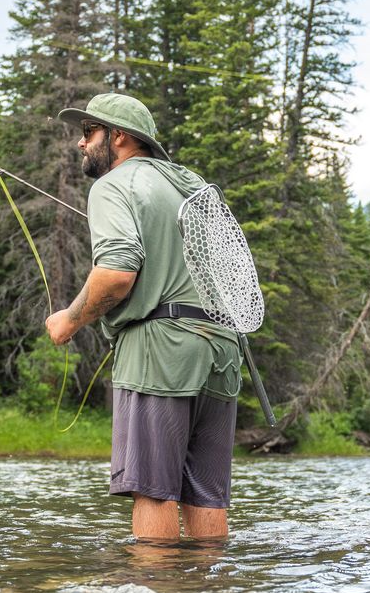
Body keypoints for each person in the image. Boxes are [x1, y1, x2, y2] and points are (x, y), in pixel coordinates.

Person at [44, 92, 243, 540]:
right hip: (223, 353)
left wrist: (68, 321)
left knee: (153, 491)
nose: (80, 143)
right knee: (204, 496)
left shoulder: (112, 186)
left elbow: (116, 273)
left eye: (88, 132)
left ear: (118, 138)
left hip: (162, 354)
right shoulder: (192, 183)